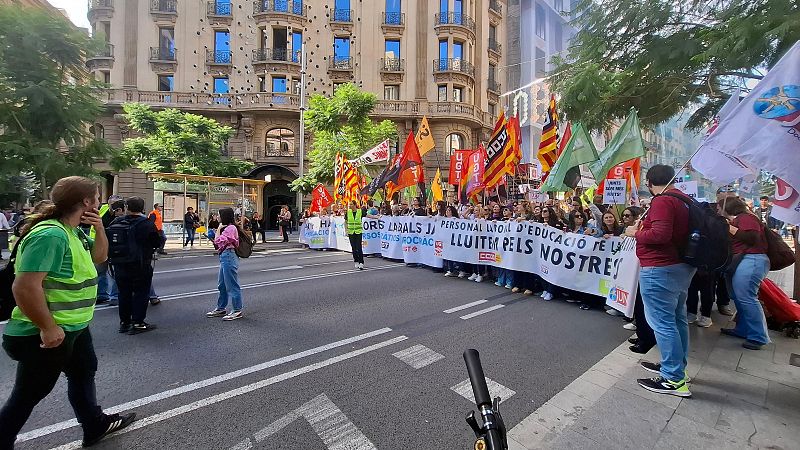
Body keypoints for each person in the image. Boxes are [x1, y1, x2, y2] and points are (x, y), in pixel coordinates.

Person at [0, 176, 136, 447]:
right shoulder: (50, 234)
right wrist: (48, 327)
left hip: (74, 326)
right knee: (28, 394)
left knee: (84, 371)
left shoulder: (73, 230)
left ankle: (94, 425)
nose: (100, 201)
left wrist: (100, 228)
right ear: (86, 201)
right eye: (97, 197)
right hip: (47, 331)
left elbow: (99, 258)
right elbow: (25, 287)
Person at [624, 165, 695, 397]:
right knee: (676, 319)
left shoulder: (663, 201)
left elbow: (660, 235)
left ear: (649, 182)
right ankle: (675, 368)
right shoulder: (684, 200)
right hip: (678, 267)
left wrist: (635, 233)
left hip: (660, 268)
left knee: (663, 323)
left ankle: (673, 379)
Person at [720, 197, 771, 350]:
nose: (717, 210)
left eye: (719, 207)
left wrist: (729, 227)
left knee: (747, 298)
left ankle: (758, 336)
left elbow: (751, 238)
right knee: (739, 297)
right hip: (745, 260)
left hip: (752, 259)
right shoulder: (742, 219)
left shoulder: (747, 218)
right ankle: (743, 328)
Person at [108, 197, 161, 335]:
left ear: (126, 207)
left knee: (123, 293)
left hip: (120, 263)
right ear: (142, 208)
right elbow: (156, 242)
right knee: (140, 293)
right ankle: (138, 323)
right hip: (140, 263)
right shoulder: (147, 224)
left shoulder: (117, 221)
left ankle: (124, 322)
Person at [206, 207, 243, 320]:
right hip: (224, 256)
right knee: (222, 284)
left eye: (220, 215)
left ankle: (237, 310)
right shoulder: (228, 228)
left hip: (229, 256)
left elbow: (218, 241)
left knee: (231, 284)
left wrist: (218, 230)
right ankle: (221, 308)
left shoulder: (231, 228)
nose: (219, 218)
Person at [95, 198, 124, 306]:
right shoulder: (104, 212)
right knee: (101, 272)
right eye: (112, 204)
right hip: (103, 247)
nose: (113, 207)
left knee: (114, 273)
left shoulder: (118, 217)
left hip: (113, 248)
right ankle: (102, 295)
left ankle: (114, 296)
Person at [345, 201, 366, 270]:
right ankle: (356, 261)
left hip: (358, 232)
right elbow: (345, 222)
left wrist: (376, 217)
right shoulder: (348, 212)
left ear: (354, 205)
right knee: (353, 248)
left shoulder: (360, 211)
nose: (349, 205)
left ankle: (361, 262)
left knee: (358, 247)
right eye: (349, 204)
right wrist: (346, 230)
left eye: (350, 204)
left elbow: (367, 215)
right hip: (351, 232)